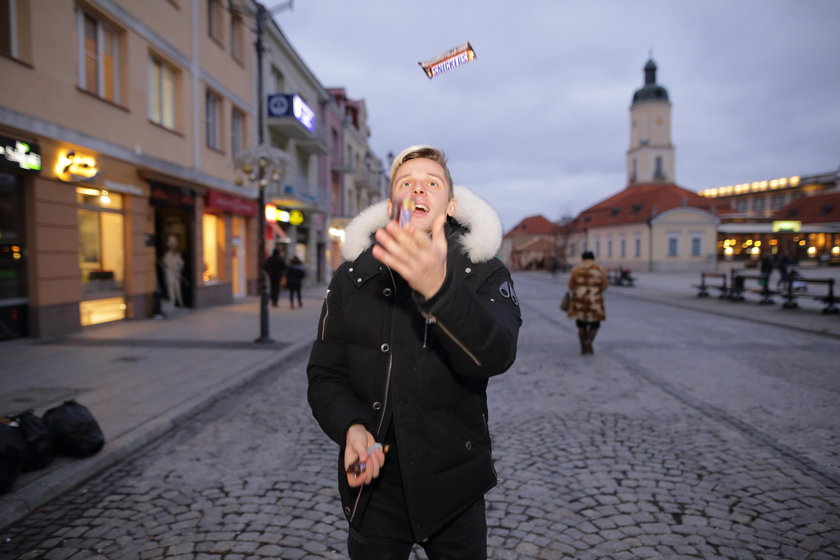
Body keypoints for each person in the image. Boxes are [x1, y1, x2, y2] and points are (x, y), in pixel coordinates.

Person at [306, 145, 521, 559]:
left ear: (451, 204)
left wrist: (440, 290)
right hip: (375, 489)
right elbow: (325, 374)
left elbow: (497, 353)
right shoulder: (353, 277)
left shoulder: (485, 271)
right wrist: (350, 427)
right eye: (407, 183)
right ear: (391, 205)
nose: (418, 190)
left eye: (431, 183)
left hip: (456, 483)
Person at [566, 251, 608, 355]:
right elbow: (605, 285)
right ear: (593, 258)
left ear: (582, 258)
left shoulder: (576, 270)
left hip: (580, 301)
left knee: (581, 325)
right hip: (595, 302)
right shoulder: (599, 269)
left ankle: (583, 346)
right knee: (595, 325)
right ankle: (589, 341)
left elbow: (571, 286)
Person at [162, 234, 184, 307]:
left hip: (176, 275)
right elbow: (165, 264)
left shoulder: (177, 254)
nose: (172, 245)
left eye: (173, 243)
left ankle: (180, 302)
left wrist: (178, 269)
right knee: (171, 289)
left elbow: (181, 263)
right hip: (170, 275)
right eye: (171, 243)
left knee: (177, 289)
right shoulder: (167, 254)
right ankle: (173, 302)